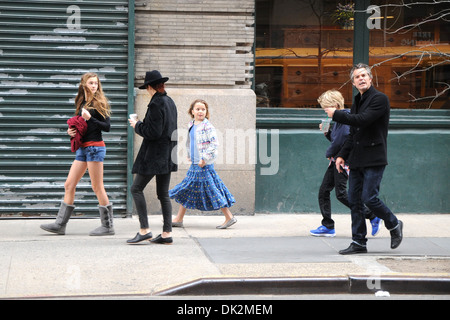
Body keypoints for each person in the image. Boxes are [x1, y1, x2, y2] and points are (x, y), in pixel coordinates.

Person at [325, 63, 403, 254]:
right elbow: (354, 133)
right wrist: (342, 155)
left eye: (364, 75)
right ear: (353, 83)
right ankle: (358, 242)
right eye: (357, 77)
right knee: (354, 201)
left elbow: (362, 120)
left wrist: (337, 114)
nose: (361, 79)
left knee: (369, 197)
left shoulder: (380, 99)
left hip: (374, 157)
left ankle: (393, 223)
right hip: (357, 159)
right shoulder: (357, 101)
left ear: (370, 78)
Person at [40, 72, 113, 236]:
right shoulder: (82, 103)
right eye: (91, 83)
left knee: (97, 186)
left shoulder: (99, 103)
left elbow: (106, 127)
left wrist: (90, 118)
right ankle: (60, 224)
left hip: (95, 148)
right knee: (69, 184)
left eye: (96, 83)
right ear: (84, 85)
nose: (94, 86)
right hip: (82, 148)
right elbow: (82, 125)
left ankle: (108, 226)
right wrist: (72, 131)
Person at [310, 90, 381, 237]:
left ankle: (372, 216)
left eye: (326, 107)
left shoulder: (345, 120)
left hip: (342, 162)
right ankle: (328, 225)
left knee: (341, 194)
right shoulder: (339, 121)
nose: (325, 110)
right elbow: (338, 141)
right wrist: (327, 134)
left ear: (335, 105)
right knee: (324, 191)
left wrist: (328, 153)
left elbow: (339, 144)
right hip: (335, 161)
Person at [127, 70, 178, 245]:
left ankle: (144, 230)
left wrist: (137, 125)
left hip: (154, 156)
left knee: (136, 188)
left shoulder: (156, 104)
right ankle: (166, 234)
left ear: (150, 87)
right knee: (163, 194)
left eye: (146, 88)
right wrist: (144, 124)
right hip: (168, 154)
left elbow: (153, 132)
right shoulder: (170, 102)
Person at [169, 99, 237, 229]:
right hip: (195, 163)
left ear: (206, 112)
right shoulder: (191, 125)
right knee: (187, 189)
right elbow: (190, 142)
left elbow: (214, 144)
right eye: (198, 109)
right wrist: (190, 155)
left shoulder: (207, 126)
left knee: (211, 189)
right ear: (192, 111)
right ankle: (178, 218)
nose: (200, 111)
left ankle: (229, 217)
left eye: (203, 109)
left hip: (203, 164)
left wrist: (204, 158)